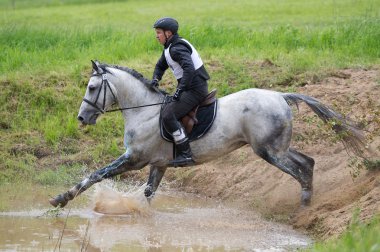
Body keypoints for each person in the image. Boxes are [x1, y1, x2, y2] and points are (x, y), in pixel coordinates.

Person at [151, 17, 210, 167]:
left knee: (168, 114)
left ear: (168, 33)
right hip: (190, 87)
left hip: (196, 89)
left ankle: (186, 154)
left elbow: (189, 69)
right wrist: (155, 79)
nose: (156, 36)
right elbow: (160, 66)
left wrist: (179, 90)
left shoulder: (177, 48)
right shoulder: (169, 48)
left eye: (159, 33)